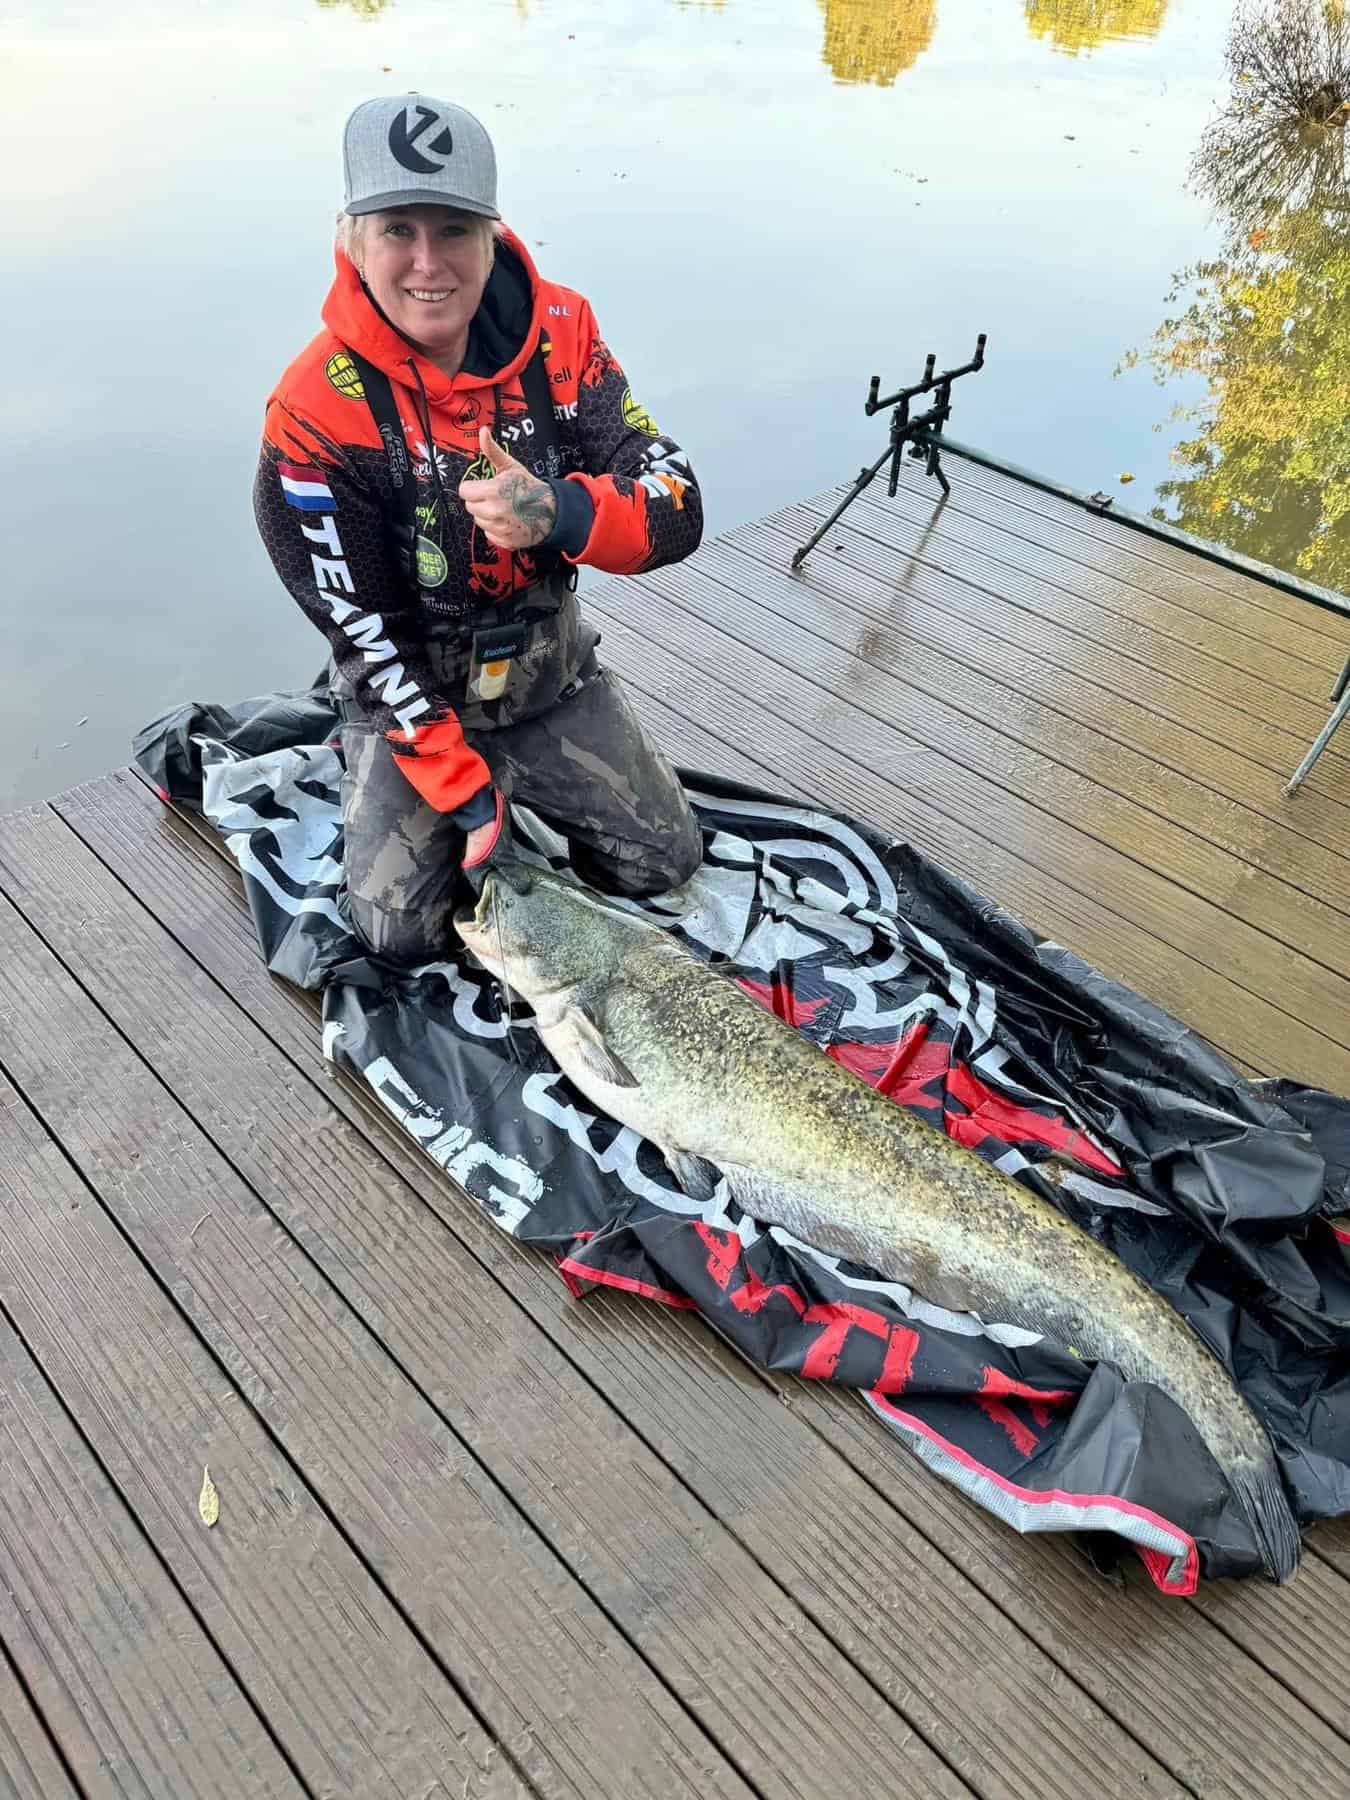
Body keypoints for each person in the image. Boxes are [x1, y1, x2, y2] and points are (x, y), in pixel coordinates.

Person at [253, 94, 705, 964]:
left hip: (549, 675)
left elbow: (678, 502)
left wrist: (561, 512)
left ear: (493, 234)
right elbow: (360, 629)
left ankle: (526, 771)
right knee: (401, 935)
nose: (429, 263)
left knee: (664, 861)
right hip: (410, 693)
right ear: (350, 238)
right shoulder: (313, 411)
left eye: (455, 229)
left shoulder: (564, 332)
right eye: (398, 231)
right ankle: (375, 765)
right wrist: (462, 790)